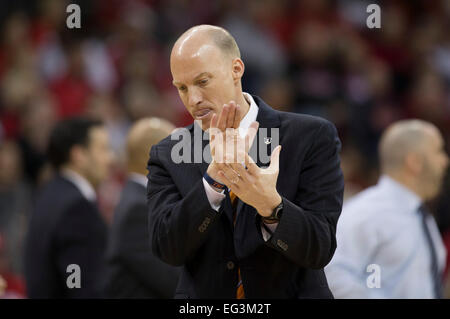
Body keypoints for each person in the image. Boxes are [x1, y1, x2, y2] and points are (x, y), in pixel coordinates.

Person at [146, 25, 344, 298]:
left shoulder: (310, 136)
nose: (193, 100)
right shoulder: (167, 154)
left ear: (236, 69)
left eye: (202, 82)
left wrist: (269, 205)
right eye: (182, 87)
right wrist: (213, 180)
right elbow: (167, 249)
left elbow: (320, 248)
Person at [325, 120, 449, 298]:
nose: (445, 161)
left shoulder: (420, 214)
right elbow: (332, 275)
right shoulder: (367, 212)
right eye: (439, 151)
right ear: (415, 162)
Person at [24, 117, 112, 298]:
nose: (111, 158)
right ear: (79, 155)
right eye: (103, 149)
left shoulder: (51, 193)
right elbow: (79, 285)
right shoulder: (76, 208)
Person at [105, 117, 180, 298]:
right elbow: (173, 280)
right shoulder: (138, 210)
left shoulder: (139, 199)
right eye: (177, 150)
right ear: (155, 155)